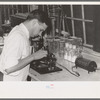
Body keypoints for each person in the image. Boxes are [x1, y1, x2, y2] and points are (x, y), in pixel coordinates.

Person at [0, 9, 51, 81]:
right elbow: (9, 68)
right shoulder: (18, 36)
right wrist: (33, 56)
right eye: (41, 30)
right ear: (34, 22)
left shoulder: (20, 32)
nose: (40, 34)